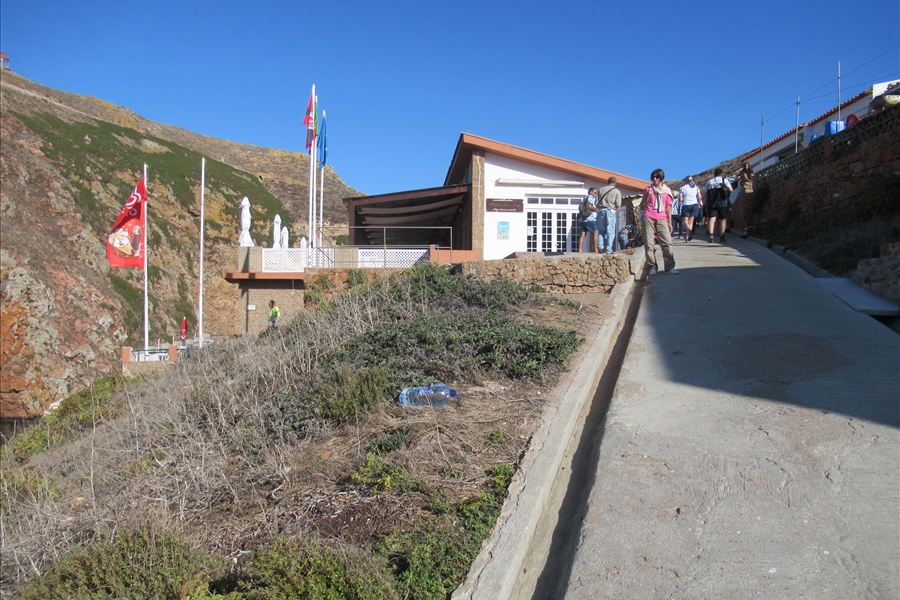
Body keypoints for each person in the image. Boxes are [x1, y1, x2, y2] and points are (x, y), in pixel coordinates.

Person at [640, 169, 679, 274]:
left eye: (657, 177)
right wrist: (648, 196)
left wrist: (670, 222)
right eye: (653, 177)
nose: (655, 179)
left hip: (662, 218)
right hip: (648, 217)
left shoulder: (667, 191)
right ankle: (652, 267)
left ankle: (669, 267)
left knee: (667, 242)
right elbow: (642, 206)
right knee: (649, 243)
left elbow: (668, 207)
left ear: (661, 178)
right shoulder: (648, 189)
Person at [704, 168, 733, 243]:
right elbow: (731, 189)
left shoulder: (709, 182)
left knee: (711, 219)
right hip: (722, 202)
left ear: (714, 174)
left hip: (711, 203)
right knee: (722, 220)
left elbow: (706, 195)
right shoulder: (724, 180)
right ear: (721, 174)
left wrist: (705, 205)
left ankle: (711, 235)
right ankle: (722, 237)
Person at [595, 177, 623, 253]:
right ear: (615, 183)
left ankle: (600, 246)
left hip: (601, 211)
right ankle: (608, 249)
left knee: (601, 231)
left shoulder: (600, 190)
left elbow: (596, 202)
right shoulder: (616, 191)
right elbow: (618, 204)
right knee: (610, 231)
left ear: (608, 182)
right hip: (610, 211)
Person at [678, 176, 703, 242]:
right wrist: (699, 203)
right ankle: (687, 237)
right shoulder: (696, 187)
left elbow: (680, 199)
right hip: (694, 204)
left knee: (685, 222)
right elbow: (699, 197)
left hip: (686, 205)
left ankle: (689, 230)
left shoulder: (682, 188)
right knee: (691, 222)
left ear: (686, 180)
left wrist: (678, 207)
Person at [578, 187, 600, 253]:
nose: (595, 194)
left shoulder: (585, 197)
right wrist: (596, 209)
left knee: (583, 234)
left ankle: (580, 250)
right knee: (595, 232)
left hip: (583, 219)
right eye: (595, 192)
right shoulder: (590, 196)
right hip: (590, 218)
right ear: (591, 192)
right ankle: (596, 250)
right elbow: (590, 206)